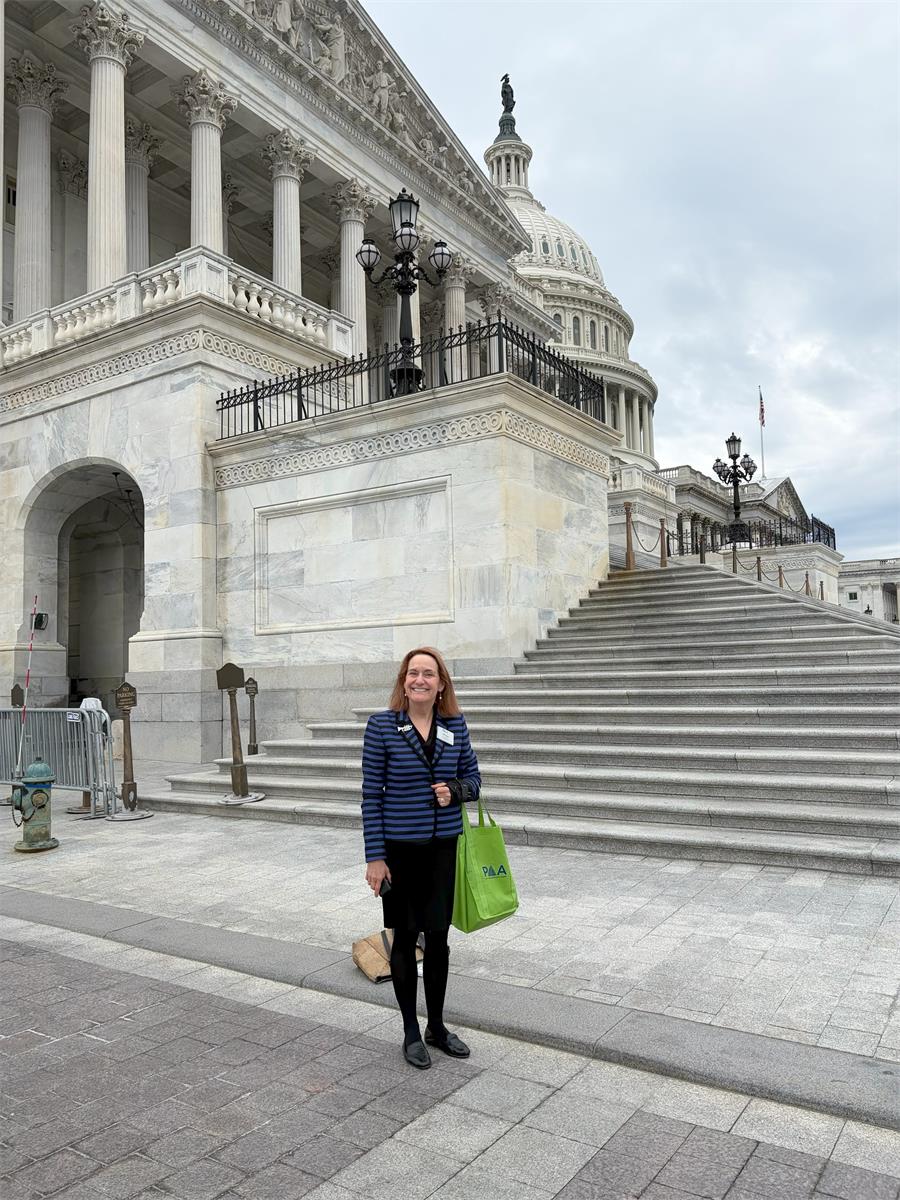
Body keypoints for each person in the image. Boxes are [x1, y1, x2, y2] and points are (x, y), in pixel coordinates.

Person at [362, 647, 481, 1069]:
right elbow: (371, 795)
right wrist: (375, 857)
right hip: (399, 851)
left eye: (428, 674)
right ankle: (411, 1031)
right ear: (404, 681)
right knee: (404, 937)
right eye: (413, 673)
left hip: (442, 850)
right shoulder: (382, 726)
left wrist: (455, 791)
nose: (420, 680)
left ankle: (437, 1026)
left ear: (441, 684)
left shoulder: (455, 725)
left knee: (439, 940)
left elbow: (475, 779)